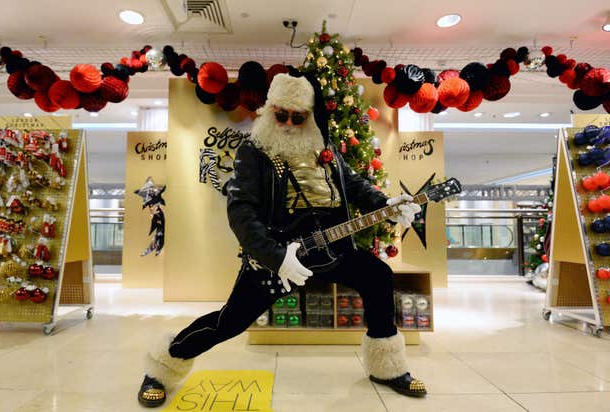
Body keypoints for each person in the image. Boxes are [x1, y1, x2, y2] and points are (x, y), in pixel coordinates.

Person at [137, 71, 426, 408]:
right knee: (229, 321)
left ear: (309, 115)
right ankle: (162, 366)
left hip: (333, 248)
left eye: (298, 116)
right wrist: (276, 257)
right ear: (269, 110)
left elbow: (354, 184)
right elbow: (241, 209)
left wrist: (385, 204)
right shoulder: (254, 151)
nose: (289, 123)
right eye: (281, 114)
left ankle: (387, 367)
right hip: (279, 256)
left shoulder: (326, 147)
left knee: (378, 276)